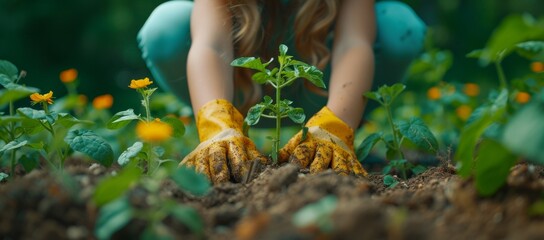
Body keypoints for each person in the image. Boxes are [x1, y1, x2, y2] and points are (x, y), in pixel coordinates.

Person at [137, 0, 426, 184]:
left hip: (326, 94)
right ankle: (221, 129)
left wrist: (336, 124)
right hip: (237, 93)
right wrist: (216, 125)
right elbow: (211, 45)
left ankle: (337, 127)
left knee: (397, 24)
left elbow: (354, 43)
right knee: (167, 23)